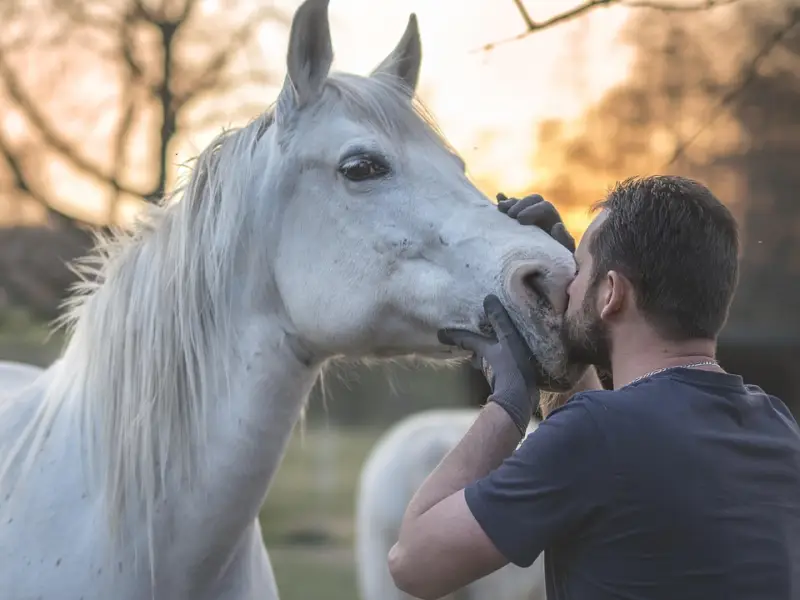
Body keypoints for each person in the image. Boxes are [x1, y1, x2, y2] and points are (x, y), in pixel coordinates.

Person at [387, 175, 800, 600]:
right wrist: (568, 327)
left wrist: (509, 403)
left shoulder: (595, 436)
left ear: (612, 293)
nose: (568, 287)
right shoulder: (778, 429)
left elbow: (413, 562)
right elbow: (614, 454)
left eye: (579, 270)